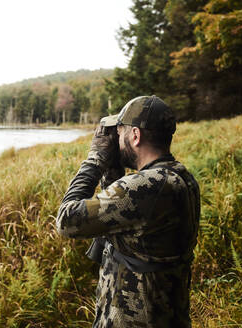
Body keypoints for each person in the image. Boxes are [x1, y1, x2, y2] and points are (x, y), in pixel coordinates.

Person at [56, 95, 200, 327]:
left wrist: (95, 161)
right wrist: (113, 169)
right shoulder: (179, 177)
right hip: (164, 315)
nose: (117, 140)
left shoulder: (143, 187)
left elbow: (66, 220)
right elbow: (121, 219)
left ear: (135, 135)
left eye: (120, 132)